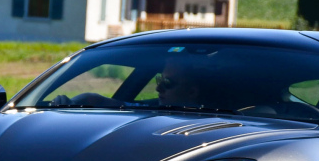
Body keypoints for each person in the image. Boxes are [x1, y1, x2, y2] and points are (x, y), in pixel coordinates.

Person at [49, 57, 207, 109]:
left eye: (167, 82)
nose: (158, 88)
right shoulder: (151, 109)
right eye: (159, 80)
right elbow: (95, 99)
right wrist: (68, 103)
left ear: (192, 92)